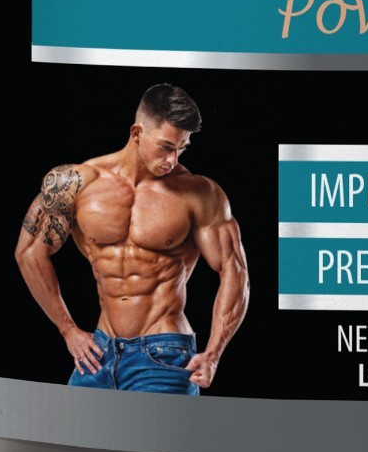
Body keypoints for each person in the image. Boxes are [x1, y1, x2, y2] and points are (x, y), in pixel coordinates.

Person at [15, 82, 248, 393]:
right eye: (166, 146)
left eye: (181, 148)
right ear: (137, 133)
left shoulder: (200, 194)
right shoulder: (76, 183)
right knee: (67, 427)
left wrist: (214, 352)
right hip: (97, 354)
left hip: (163, 354)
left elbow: (235, 271)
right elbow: (29, 252)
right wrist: (68, 329)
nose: (173, 159)